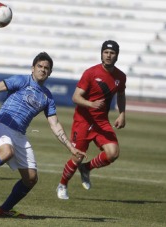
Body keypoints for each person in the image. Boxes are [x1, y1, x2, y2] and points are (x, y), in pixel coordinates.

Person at [0, 52, 86, 218]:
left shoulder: (47, 97)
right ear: (33, 67)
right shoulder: (22, 80)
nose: (43, 70)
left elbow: (55, 124)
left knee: (31, 178)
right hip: (2, 123)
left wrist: (70, 147)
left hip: (19, 134)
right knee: (6, 153)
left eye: (46, 68)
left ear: (50, 72)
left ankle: (5, 209)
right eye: (40, 66)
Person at [56, 40, 126, 200]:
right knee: (77, 156)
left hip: (101, 122)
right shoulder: (91, 73)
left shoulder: (121, 77)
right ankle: (62, 184)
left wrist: (122, 113)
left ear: (117, 56)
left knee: (113, 153)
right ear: (101, 54)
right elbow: (75, 97)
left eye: (112, 53)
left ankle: (86, 168)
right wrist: (91, 104)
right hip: (83, 121)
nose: (108, 56)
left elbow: (121, 94)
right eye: (106, 52)